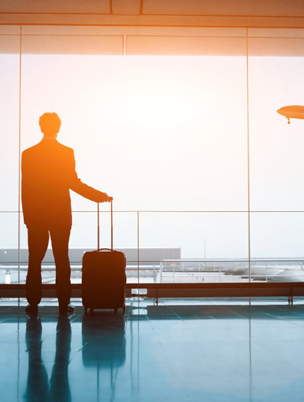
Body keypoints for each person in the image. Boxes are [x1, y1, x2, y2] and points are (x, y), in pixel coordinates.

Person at [22, 112, 112, 315]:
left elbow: (26, 188)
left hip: (36, 216)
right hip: (60, 213)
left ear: (41, 127)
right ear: (58, 128)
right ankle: (64, 303)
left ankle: (33, 304)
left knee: (34, 260)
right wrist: (98, 196)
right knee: (61, 258)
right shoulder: (65, 152)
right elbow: (73, 182)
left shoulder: (28, 154)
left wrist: (28, 218)